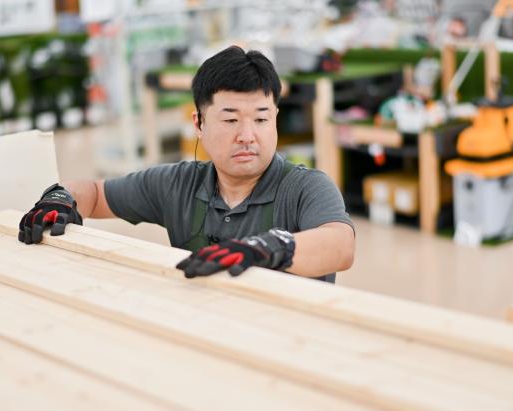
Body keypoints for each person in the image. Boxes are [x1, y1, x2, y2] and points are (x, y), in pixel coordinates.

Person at [18, 46, 355, 283]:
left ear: (276, 119)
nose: (248, 135)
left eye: (261, 119)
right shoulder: (178, 185)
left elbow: (340, 246)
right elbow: (93, 193)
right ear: (198, 124)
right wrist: (60, 199)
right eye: (231, 119)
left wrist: (271, 247)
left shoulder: (306, 188)